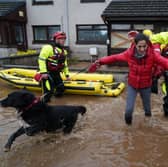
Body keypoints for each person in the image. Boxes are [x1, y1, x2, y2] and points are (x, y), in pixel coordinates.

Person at [88, 33, 168, 125]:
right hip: (132, 86)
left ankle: (147, 127)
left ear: (147, 45)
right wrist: (100, 61)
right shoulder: (129, 54)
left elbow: (165, 62)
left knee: (147, 111)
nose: (142, 49)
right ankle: (128, 132)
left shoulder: (153, 55)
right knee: (128, 112)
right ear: (135, 44)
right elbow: (114, 58)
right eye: (139, 47)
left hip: (146, 86)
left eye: (144, 46)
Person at [38, 31, 70, 102]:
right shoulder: (48, 48)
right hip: (47, 73)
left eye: (64, 39)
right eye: (61, 39)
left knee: (61, 89)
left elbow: (65, 64)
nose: (63, 40)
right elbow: (41, 60)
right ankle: (45, 105)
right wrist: (43, 72)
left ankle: (58, 104)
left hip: (56, 73)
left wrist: (67, 75)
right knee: (48, 92)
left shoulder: (63, 51)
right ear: (56, 39)